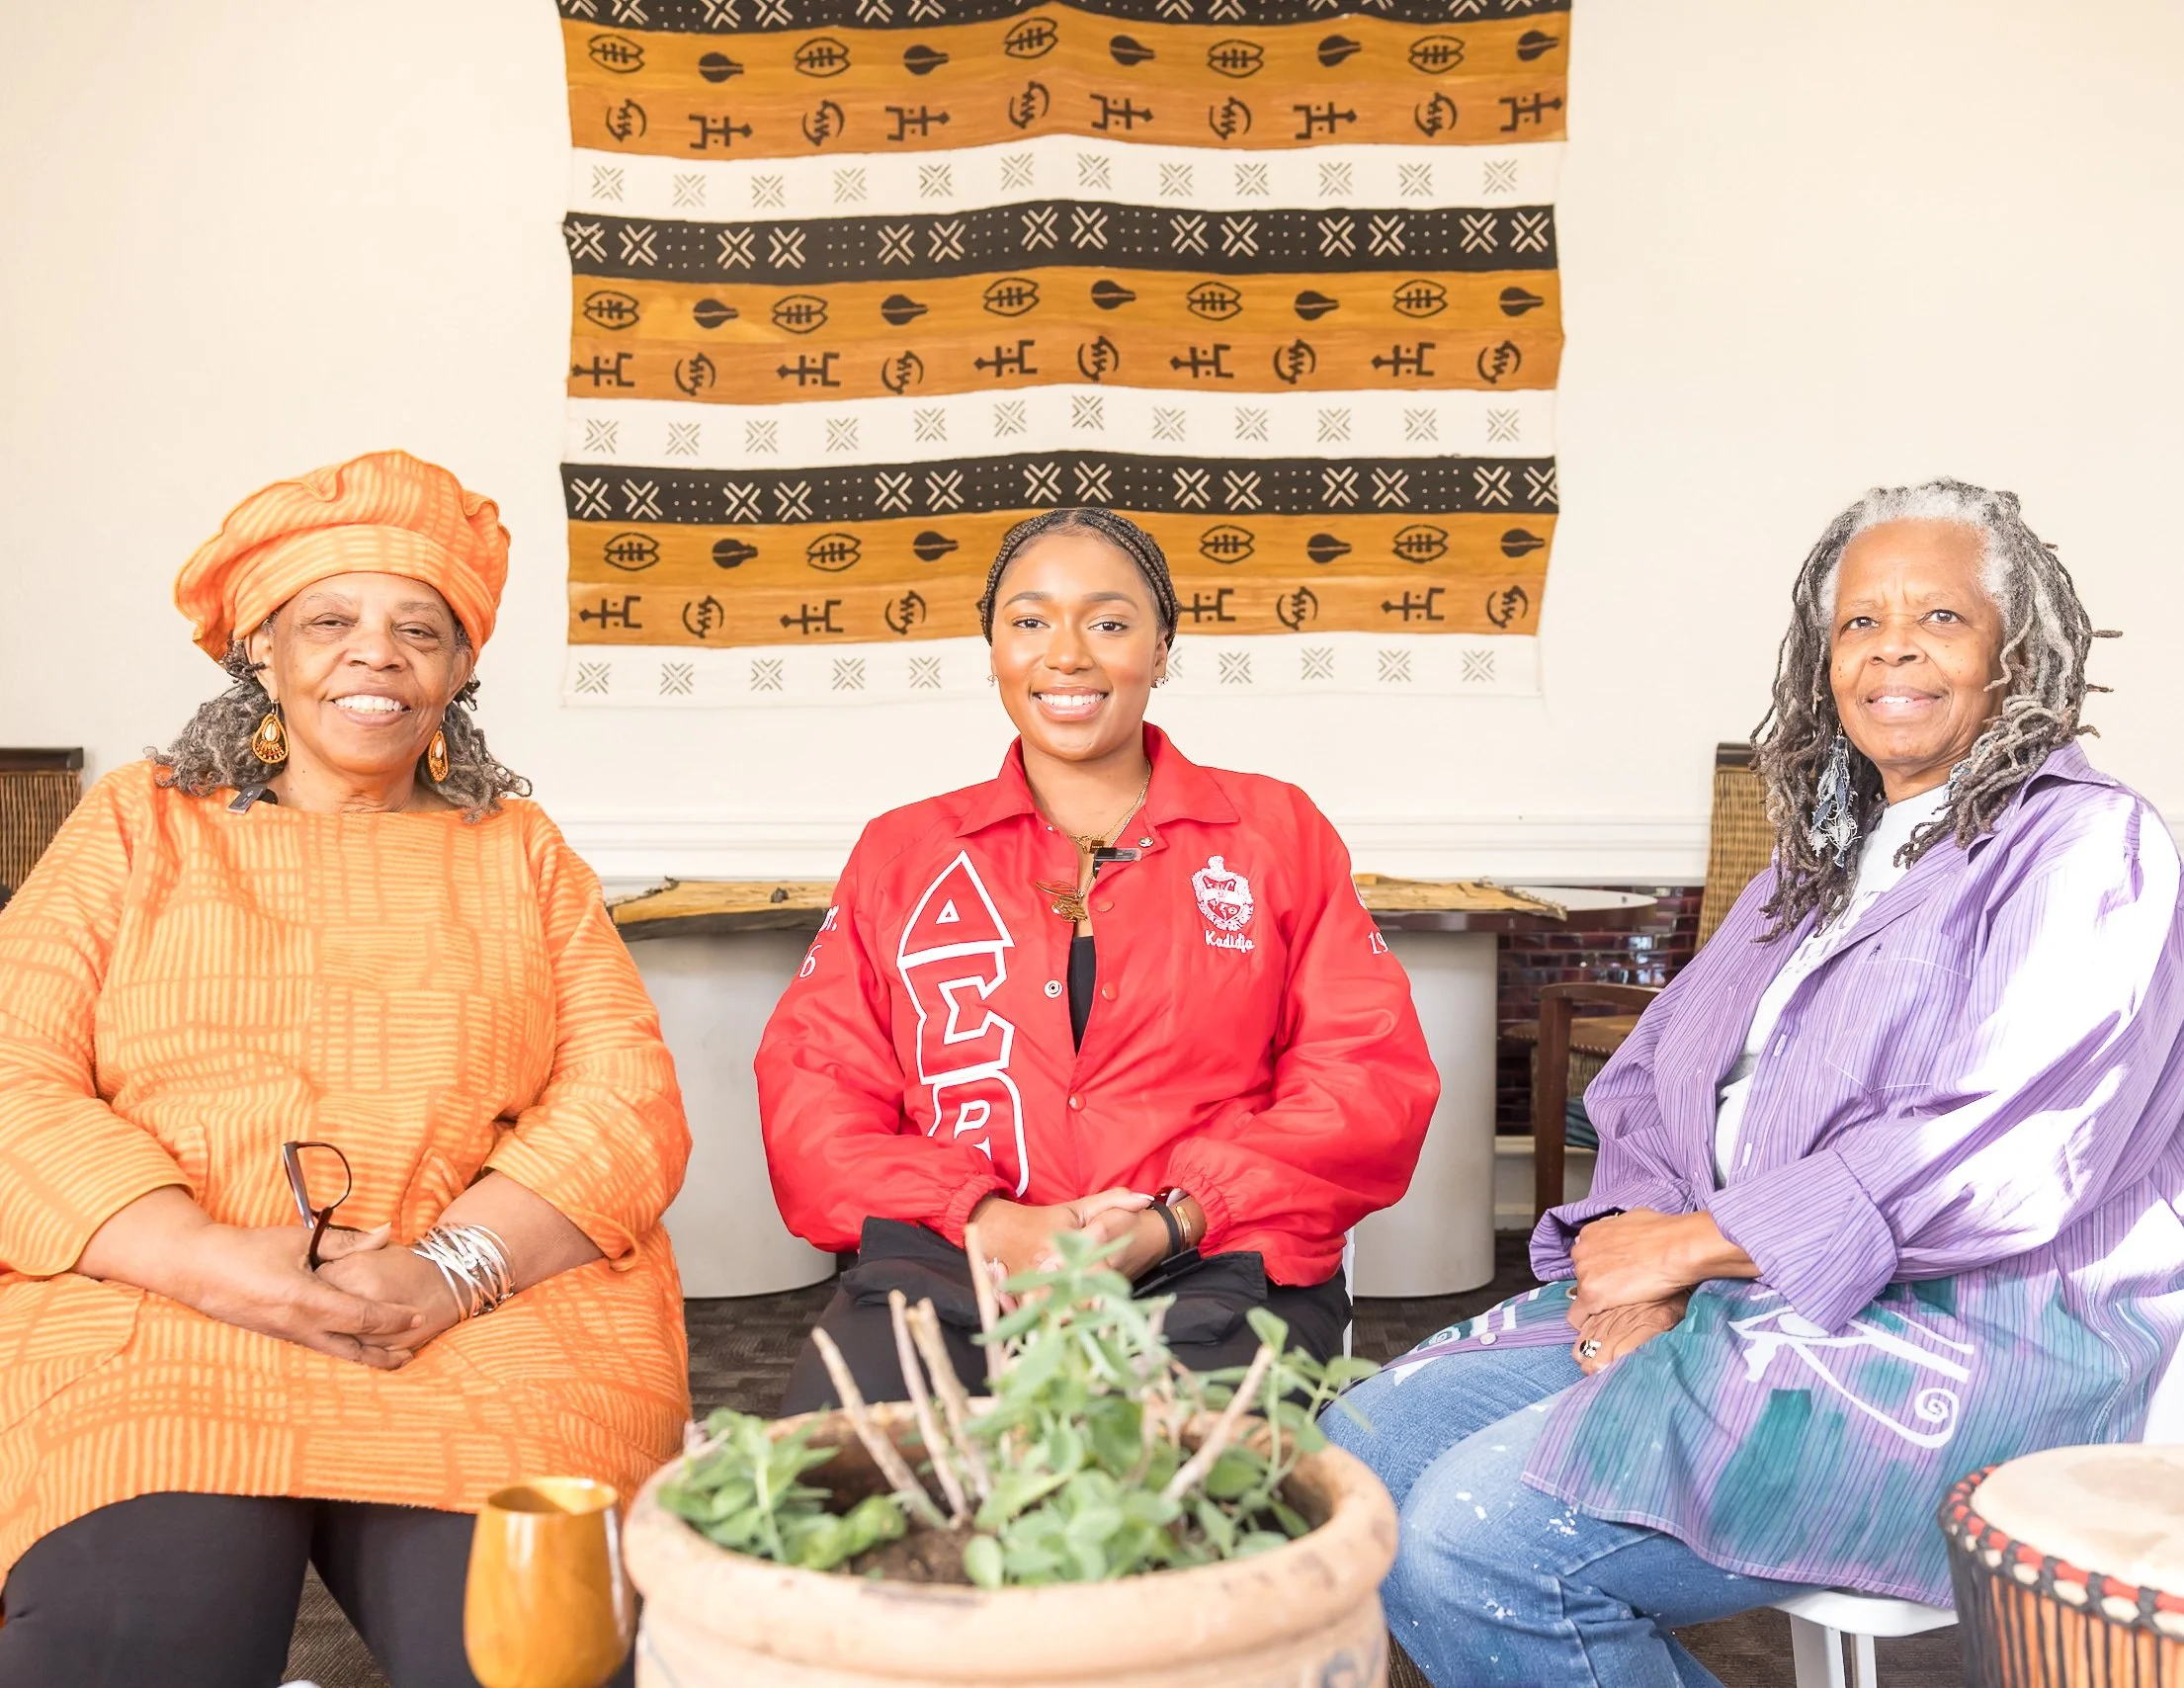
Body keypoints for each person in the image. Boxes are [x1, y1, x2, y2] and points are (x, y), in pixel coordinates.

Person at [1323, 479, 2184, 1687]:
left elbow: (2006, 1145)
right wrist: (1636, 1247)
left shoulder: (2089, 845)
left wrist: (1692, 1247)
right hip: (1731, 1296)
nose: (1890, 646)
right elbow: (1658, 1075)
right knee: (1348, 1459)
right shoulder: (1814, 859)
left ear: (2015, 650)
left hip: (1966, 1336)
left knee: (1473, 1545)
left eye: (1938, 617)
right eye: (1856, 623)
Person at [0, 451, 691, 1688]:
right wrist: (209, 1258)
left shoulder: (517, 851)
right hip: (160, 1318)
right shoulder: (133, 824)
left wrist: (449, 1268)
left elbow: (622, 1094)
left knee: (530, 1663)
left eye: (417, 628)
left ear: (461, 666)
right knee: (129, 1651)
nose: (374, 654)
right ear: (261, 647)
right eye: (330, 620)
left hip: (478, 1328)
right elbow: (14, 1072)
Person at [758, 508, 1437, 1411]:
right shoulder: (903, 852)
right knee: (843, 1482)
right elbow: (813, 1092)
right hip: (950, 1263)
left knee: (1182, 1508)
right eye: (1029, 621)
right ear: (992, 647)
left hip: (1215, 1262)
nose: (1065, 655)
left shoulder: (1276, 834)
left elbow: (1366, 1080)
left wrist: (1172, 1221)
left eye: (1109, 623)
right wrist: (987, 1220)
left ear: (1162, 652)